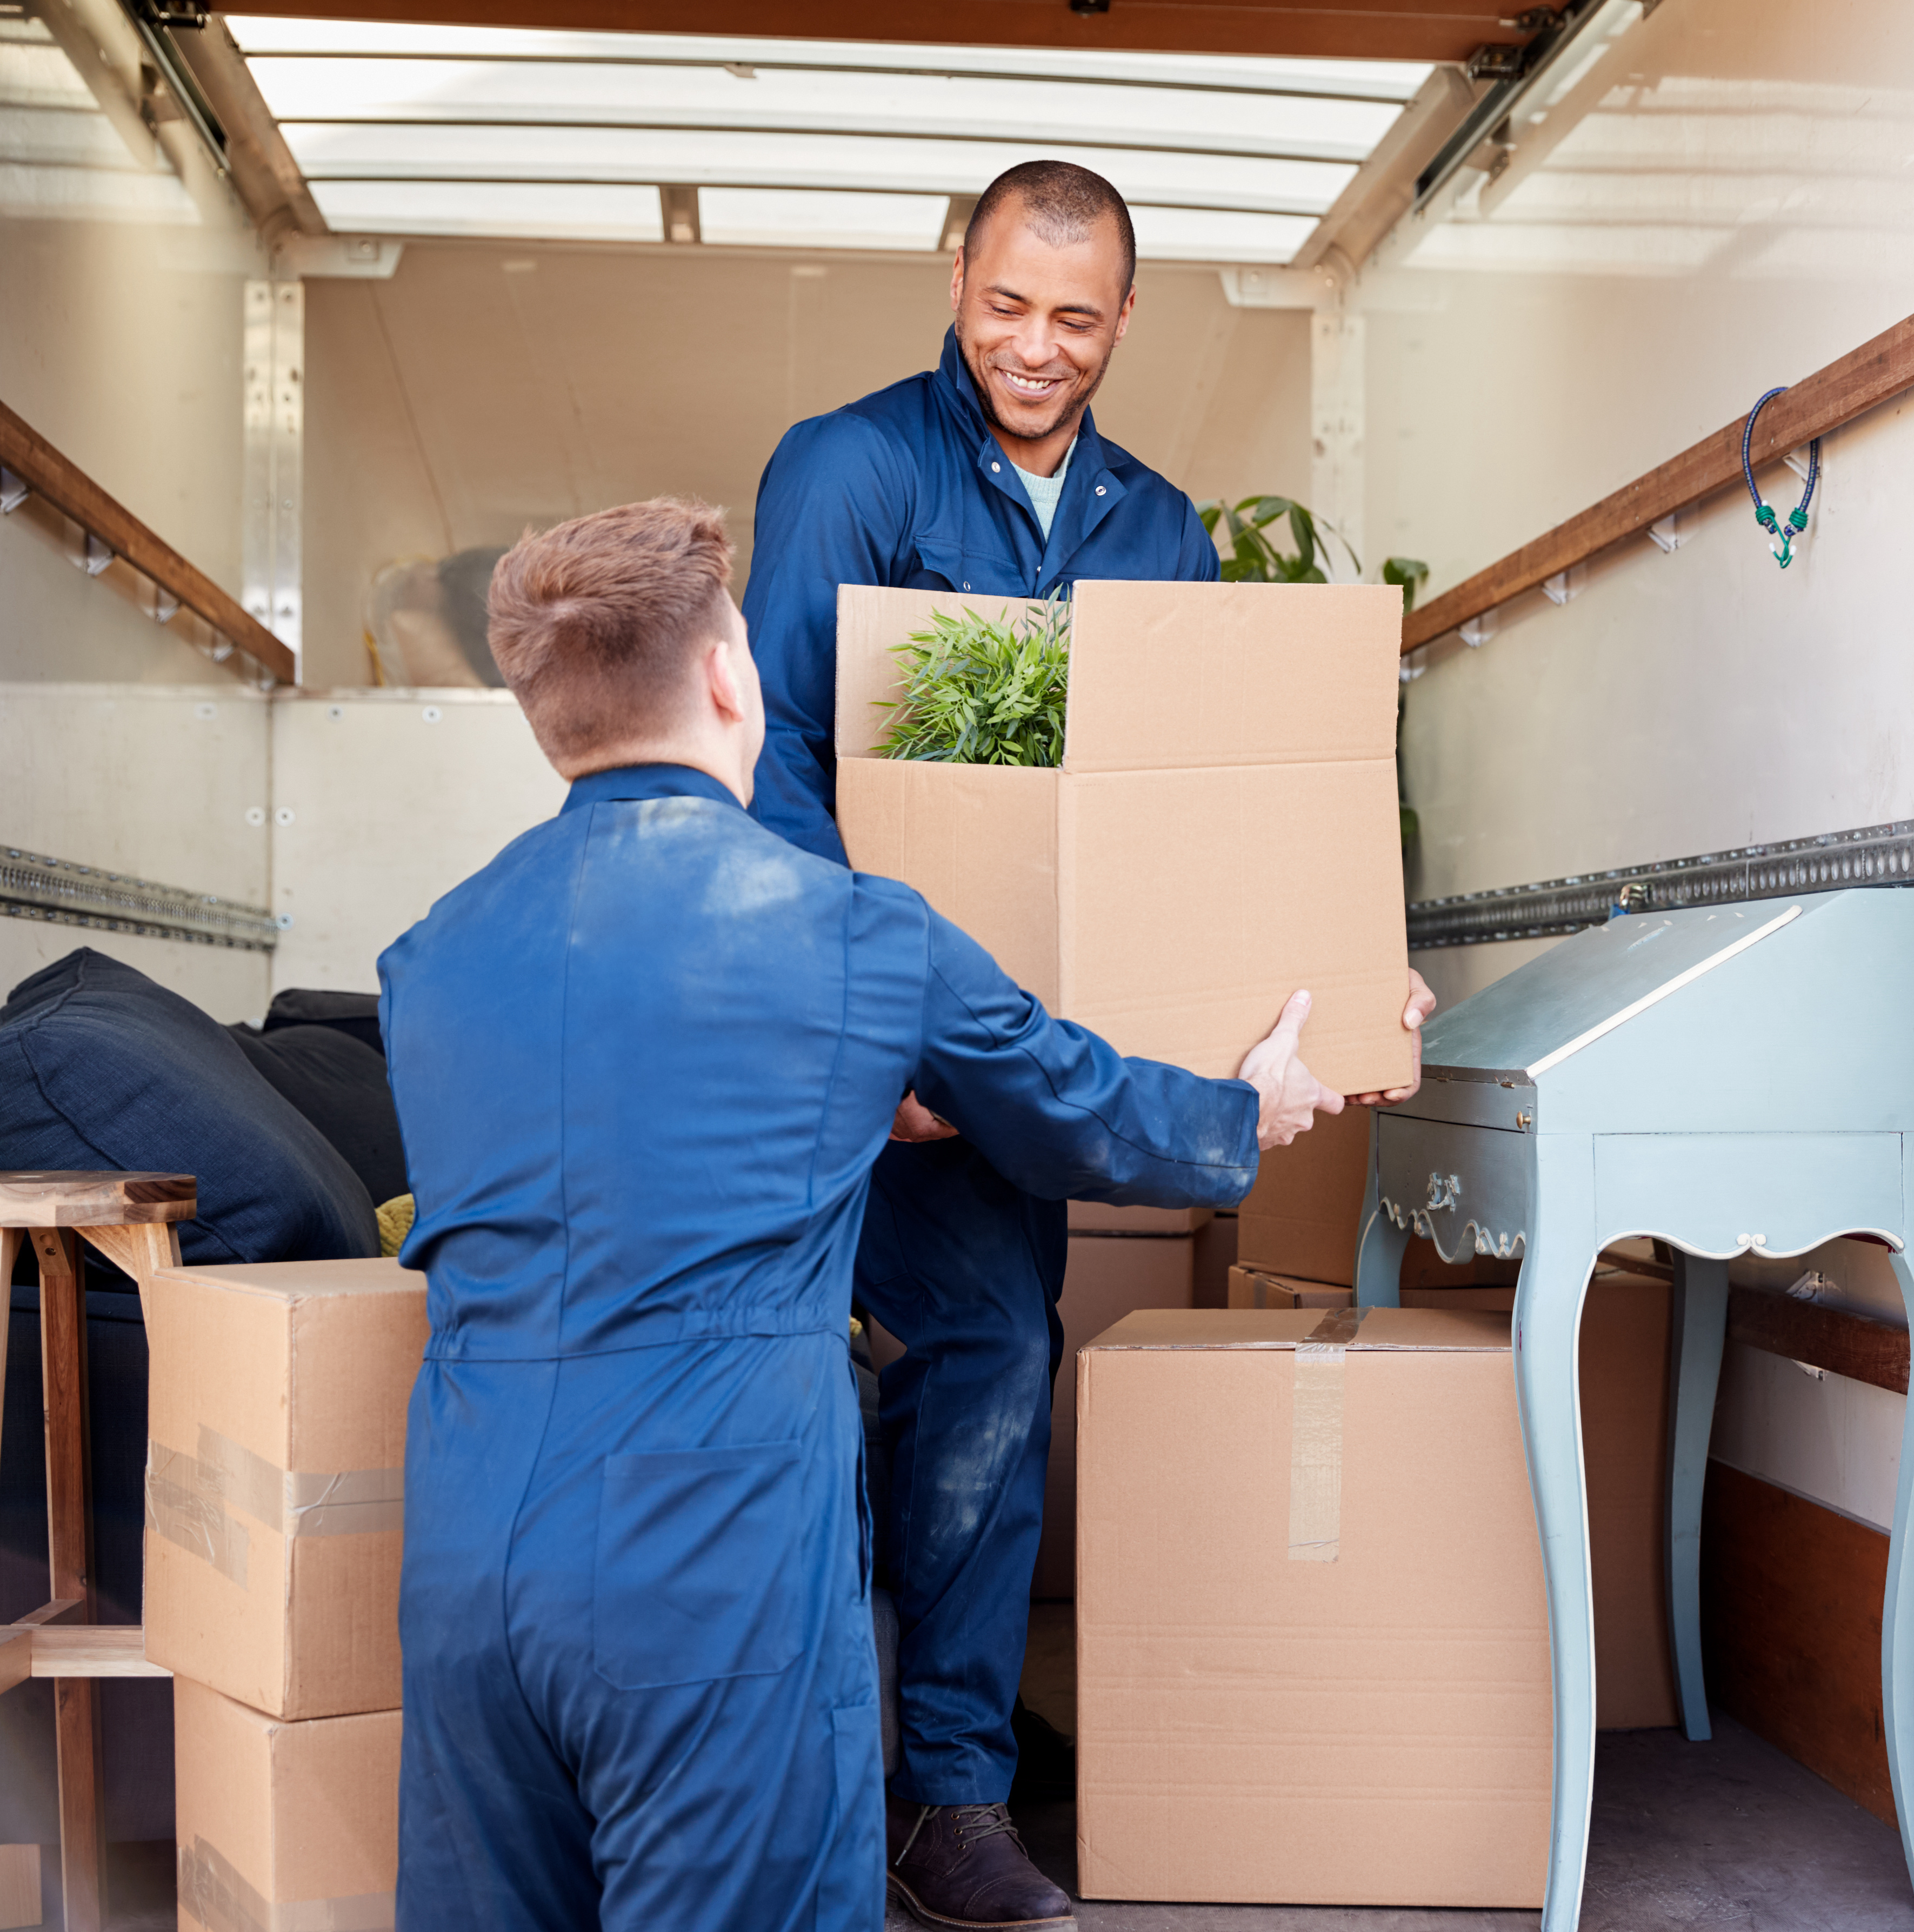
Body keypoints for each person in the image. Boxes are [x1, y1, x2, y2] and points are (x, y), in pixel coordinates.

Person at [381, 497, 1349, 1931]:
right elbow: (1070, 1103)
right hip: (706, 1560)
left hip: (465, 1560)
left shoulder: (427, 957)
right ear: (728, 677)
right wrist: (1243, 1107)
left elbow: (619, 1124)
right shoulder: (854, 933)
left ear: (545, 718)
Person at [743, 161, 1435, 1927]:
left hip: (1033, 1058)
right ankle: (824, 1775)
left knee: (984, 1365)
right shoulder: (851, 469)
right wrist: (863, 1032)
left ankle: (948, 1796)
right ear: (952, 283)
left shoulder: (1161, 530)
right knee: (803, 1386)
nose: (1033, 349)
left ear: (1124, 321)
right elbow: (780, 764)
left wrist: (1346, 979)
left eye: (1073, 317)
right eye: (1002, 305)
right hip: (857, 1045)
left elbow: (1207, 817)